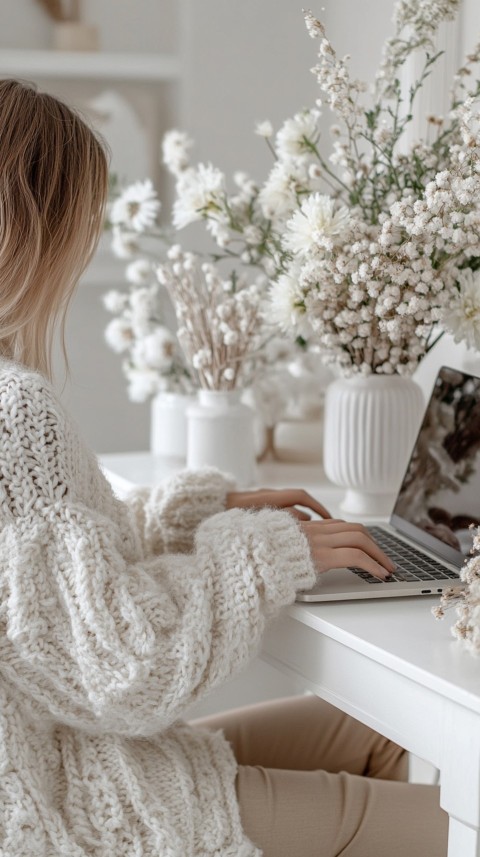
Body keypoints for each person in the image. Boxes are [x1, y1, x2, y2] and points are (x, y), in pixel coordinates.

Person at [0, 79, 448, 857]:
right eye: (85, 223)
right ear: (34, 230)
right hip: (71, 799)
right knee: (451, 827)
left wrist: (194, 516)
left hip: (54, 757)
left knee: (371, 723)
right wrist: (266, 554)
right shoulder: (16, 412)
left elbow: (35, 586)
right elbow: (125, 667)